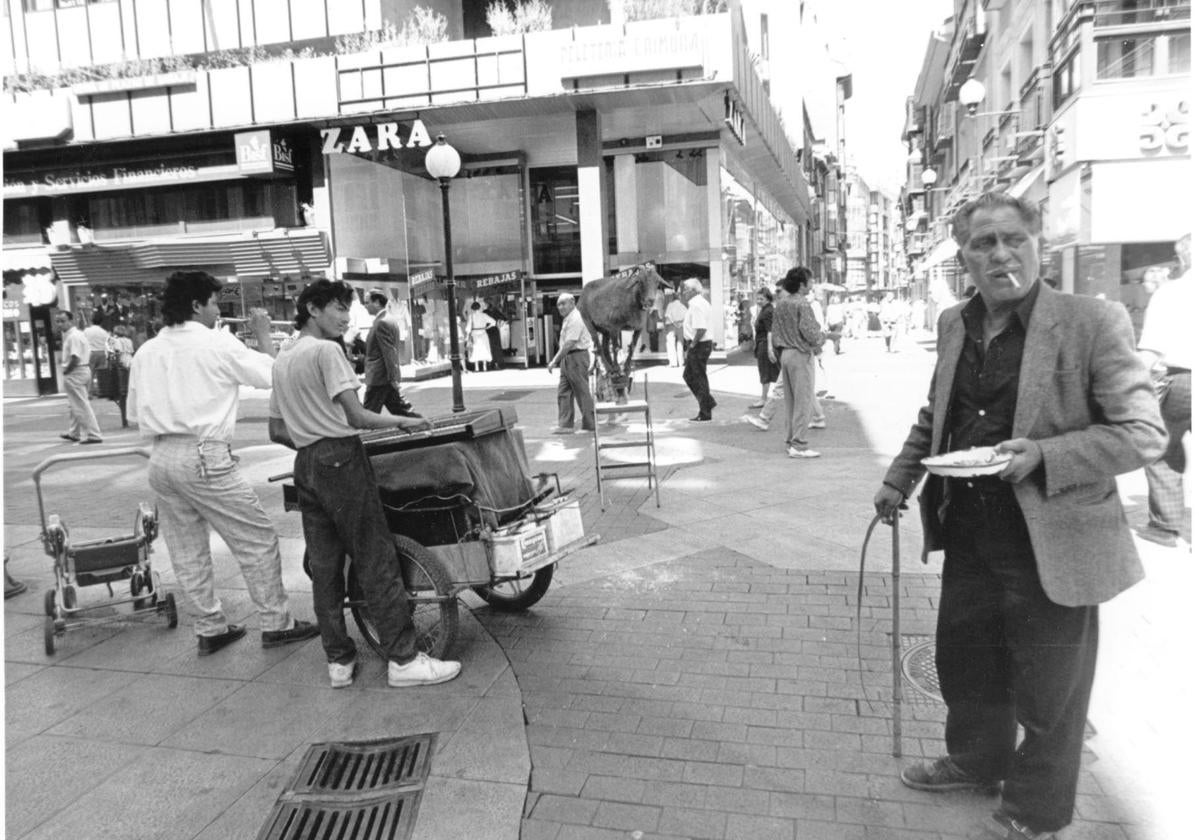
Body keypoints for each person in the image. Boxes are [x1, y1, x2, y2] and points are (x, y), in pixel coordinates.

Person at [873, 192, 1166, 840]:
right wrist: (899, 479)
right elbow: (935, 418)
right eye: (983, 244)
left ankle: (1034, 811)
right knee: (966, 663)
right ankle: (975, 760)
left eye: (1013, 239)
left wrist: (1042, 454)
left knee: (1050, 689)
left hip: (1054, 542)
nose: (1000, 254)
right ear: (964, 258)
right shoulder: (954, 323)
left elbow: (1143, 434)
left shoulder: (1091, 319)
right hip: (970, 536)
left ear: (1037, 245)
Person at [268, 279, 461, 690]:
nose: (344, 316)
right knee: (375, 556)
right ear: (313, 309)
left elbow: (275, 430)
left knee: (325, 565)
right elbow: (358, 418)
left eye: (347, 309)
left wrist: (310, 440)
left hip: (306, 464)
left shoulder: (284, 357)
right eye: (338, 308)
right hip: (341, 459)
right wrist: (405, 420)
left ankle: (338, 661)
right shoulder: (326, 351)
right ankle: (404, 661)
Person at [127, 271, 320, 657]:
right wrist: (264, 334)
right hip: (205, 453)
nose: (218, 310)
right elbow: (274, 375)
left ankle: (210, 627)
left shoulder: (147, 351)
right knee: (256, 538)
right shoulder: (216, 343)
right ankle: (275, 622)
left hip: (161, 456)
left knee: (187, 549)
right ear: (197, 305)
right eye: (215, 302)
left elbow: (134, 414)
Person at [1135, 232, 1191, 548]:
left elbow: (1150, 352)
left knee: (1161, 448)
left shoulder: (1172, 293)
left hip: (1184, 381)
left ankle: (1165, 526)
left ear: (1182, 258)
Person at [767, 267, 823, 458]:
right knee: (804, 400)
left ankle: (791, 440)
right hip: (800, 354)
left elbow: (775, 333)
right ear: (802, 284)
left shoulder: (781, 304)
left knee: (790, 401)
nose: (812, 284)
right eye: (810, 280)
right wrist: (824, 338)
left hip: (785, 354)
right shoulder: (803, 304)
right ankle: (799, 444)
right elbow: (811, 332)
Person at [362, 289, 419, 418]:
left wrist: (393, 377)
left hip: (379, 378)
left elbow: (389, 352)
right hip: (384, 378)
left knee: (367, 416)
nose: (365, 306)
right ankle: (423, 427)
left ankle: (423, 427)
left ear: (376, 302)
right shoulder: (388, 319)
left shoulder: (382, 322)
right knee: (403, 411)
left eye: (367, 302)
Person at [546, 293, 595, 435]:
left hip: (577, 357)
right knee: (563, 392)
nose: (560, 307)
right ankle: (565, 425)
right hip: (568, 358)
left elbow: (569, 343)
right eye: (558, 305)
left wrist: (554, 360)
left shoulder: (576, 318)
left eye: (563, 303)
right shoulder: (568, 319)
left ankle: (590, 423)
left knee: (582, 392)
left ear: (572, 302)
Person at [54, 309, 103, 445]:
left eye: (62, 321)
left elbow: (75, 357)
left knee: (80, 404)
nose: (59, 324)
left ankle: (93, 434)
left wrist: (67, 370)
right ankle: (74, 432)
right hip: (82, 369)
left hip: (76, 371)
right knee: (74, 404)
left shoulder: (73, 336)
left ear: (71, 321)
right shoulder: (77, 334)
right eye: (57, 321)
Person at [680, 278, 717, 422]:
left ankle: (705, 411)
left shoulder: (696, 304)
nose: (683, 292)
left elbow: (701, 328)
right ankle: (708, 402)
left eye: (686, 289)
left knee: (698, 377)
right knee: (689, 375)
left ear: (693, 291)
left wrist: (693, 344)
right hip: (702, 344)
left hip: (699, 344)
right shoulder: (701, 302)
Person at [749, 287, 777, 408]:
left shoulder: (767, 311)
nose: (758, 301)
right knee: (769, 371)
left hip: (765, 344)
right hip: (763, 343)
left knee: (765, 371)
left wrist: (770, 349)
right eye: (757, 298)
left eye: (761, 298)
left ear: (768, 298)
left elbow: (770, 331)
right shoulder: (765, 309)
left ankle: (763, 399)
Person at [107, 324, 135, 428]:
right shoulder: (129, 340)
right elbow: (131, 352)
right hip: (130, 363)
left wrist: (115, 364)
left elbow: (117, 353)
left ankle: (124, 420)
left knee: (122, 393)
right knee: (129, 390)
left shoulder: (116, 341)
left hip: (122, 365)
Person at [83, 310, 110, 397]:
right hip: (102, 352)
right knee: (101, 374)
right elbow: (107, 342)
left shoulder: (87, 331)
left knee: (90, 374)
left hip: (91, 353)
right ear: (101, 322)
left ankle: (89, 393)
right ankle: (101, 391)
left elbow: (83, 341)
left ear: (92, 321)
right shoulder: (104, 332)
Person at [465, 301, 495, 372]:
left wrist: (467, 336)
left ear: (472, 308)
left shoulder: (471, 316)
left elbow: (468, 328)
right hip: (483, 333)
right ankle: (484, 367)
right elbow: (493, 322)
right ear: (479, 307)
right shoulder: (484, 315)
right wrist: (487, 327)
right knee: (484, 349)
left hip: (475, 333)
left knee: (476, 349)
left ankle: (477, 367)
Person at [664, 289, 687, 367]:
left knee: (671, 344)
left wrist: (674, 323)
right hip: (680, 326)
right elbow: (687, 317)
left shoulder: (670, 305)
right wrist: (680, 324)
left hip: (671, 326)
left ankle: (673, 363)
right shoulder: (683, 306)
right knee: (680, 344)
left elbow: (667, 316)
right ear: (679, 297)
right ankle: (681, 362)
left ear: (673, 297)